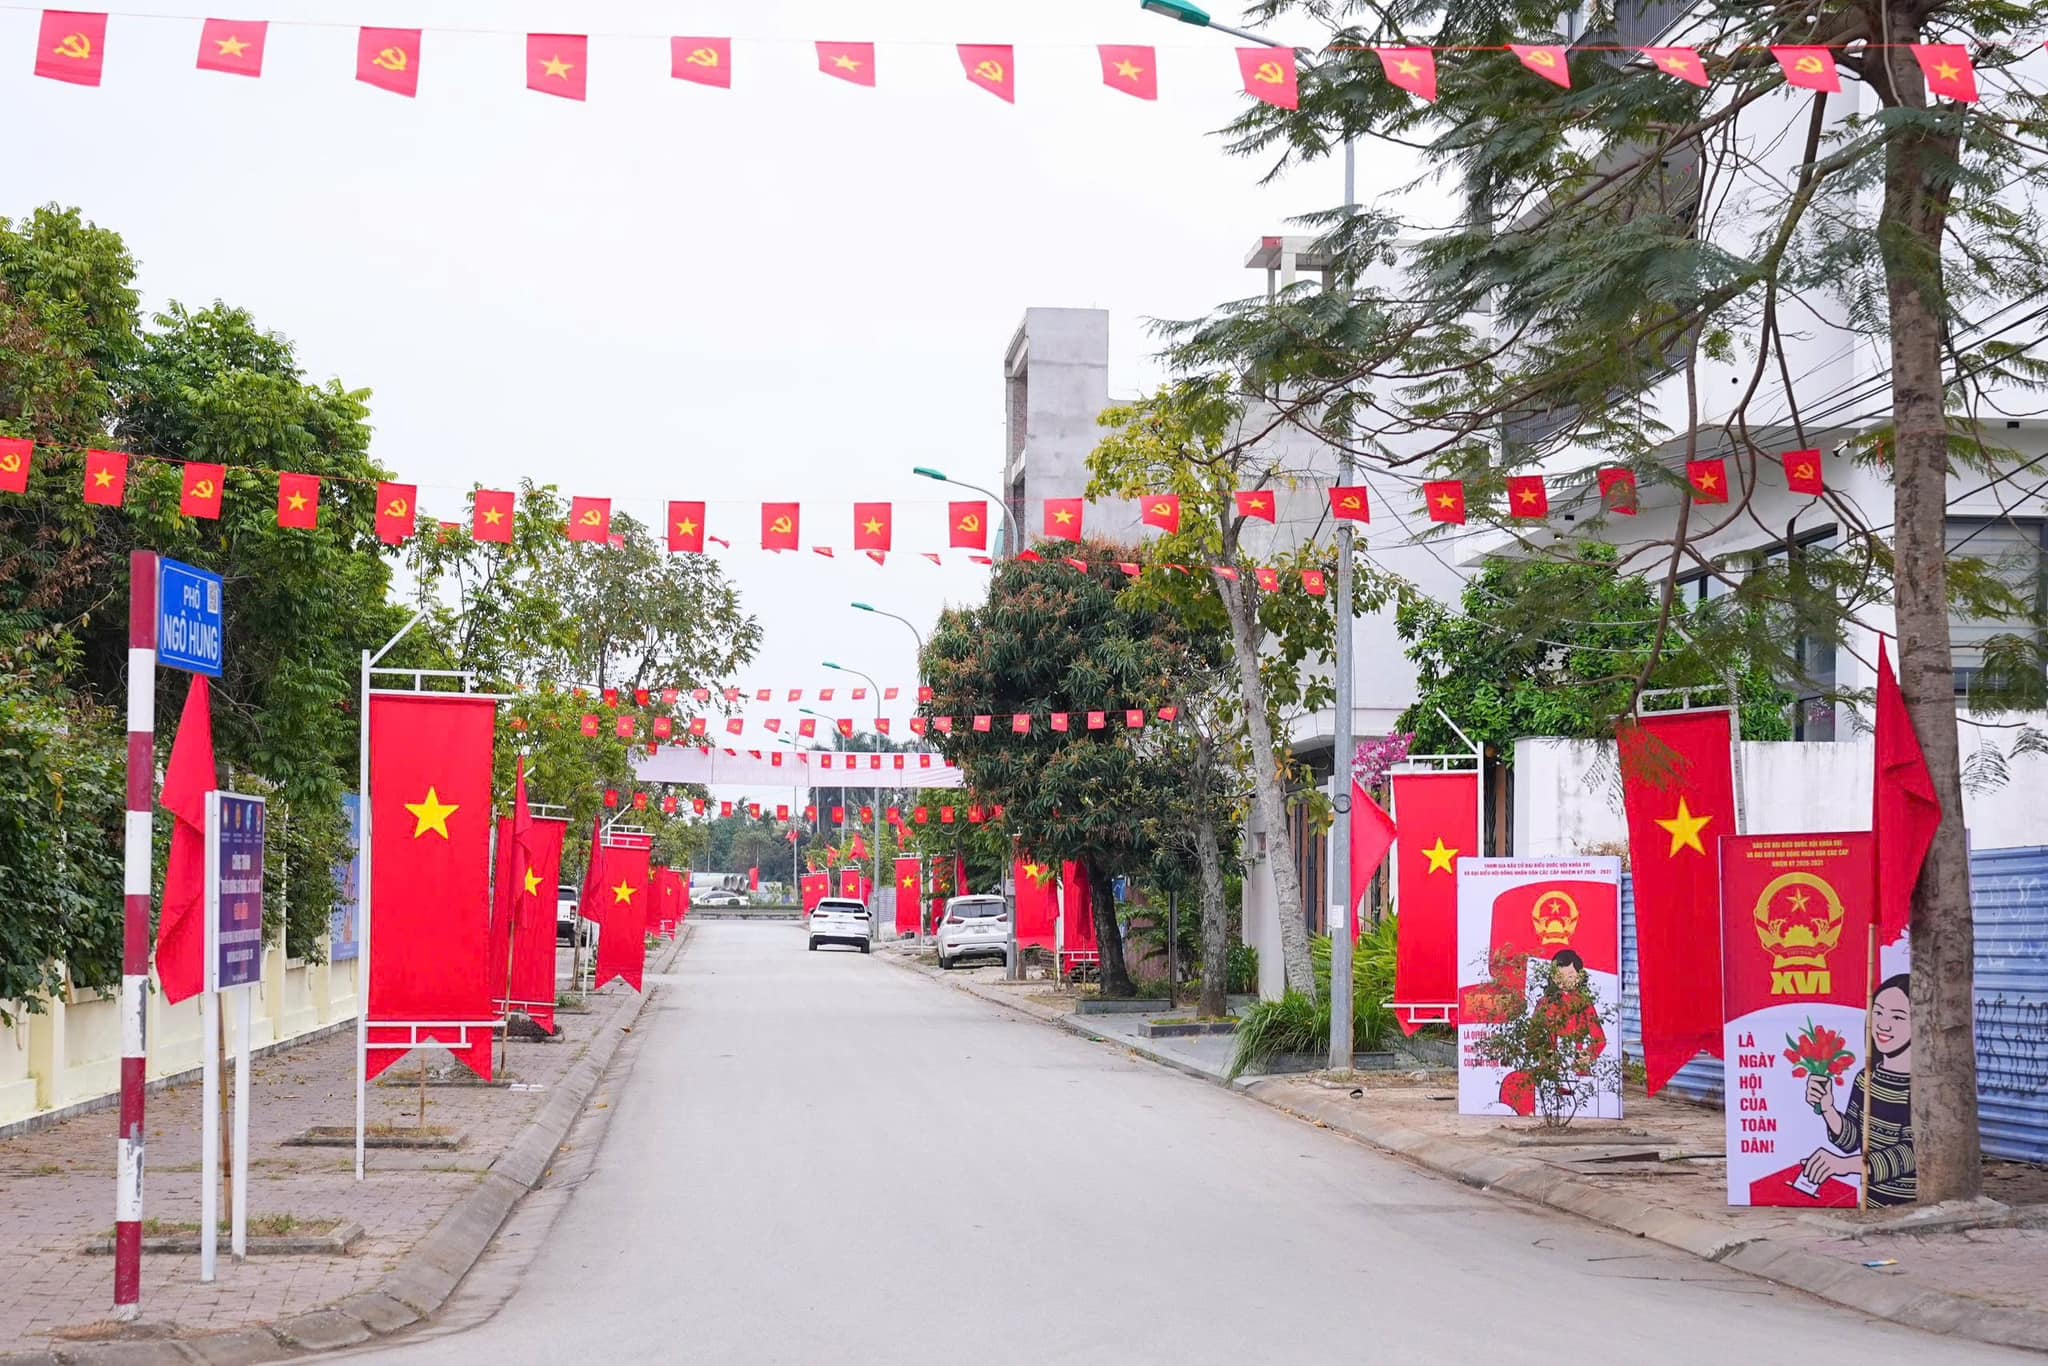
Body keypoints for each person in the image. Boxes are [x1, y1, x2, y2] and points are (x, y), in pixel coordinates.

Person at [1800, 975, 1915, 1207]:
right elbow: (1853, 1140)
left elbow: (1911, 1154)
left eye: (1897, 1017)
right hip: (1870, 1203)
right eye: (1878, 1013)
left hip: (1909, 1207)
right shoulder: (1866, 1078)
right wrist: (1828, 1109)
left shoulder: (1922, 1086)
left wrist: (1844, 1165)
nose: (1883, 1024)